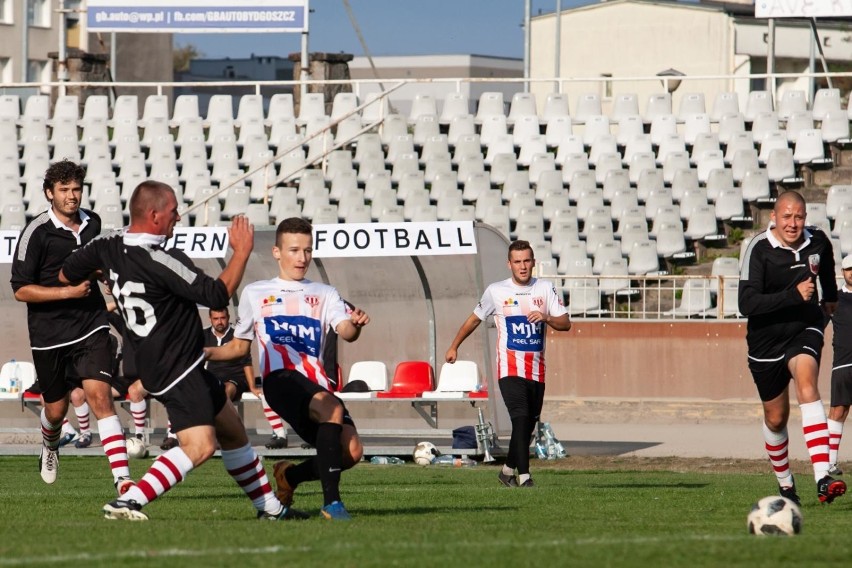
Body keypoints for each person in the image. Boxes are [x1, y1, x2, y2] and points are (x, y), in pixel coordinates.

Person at [59, 180, 303, 521]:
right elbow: (217, 295)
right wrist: (242, 251)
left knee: (232, 431)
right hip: (176, 365)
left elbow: (66, 272)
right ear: (155, 214)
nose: (178, 217)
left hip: (161, 361)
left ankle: (271, 510)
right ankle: (129, 501)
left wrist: (109, 276)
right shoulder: (161, 258)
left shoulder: (108, 243)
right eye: (173, 211)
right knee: (200, 446)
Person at [206, 217, 370, 521]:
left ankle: (288, 477)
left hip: (315, 384)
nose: (302, 258)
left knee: (352, 452)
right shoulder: (256, 293)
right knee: (331, 409)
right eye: (294, 250)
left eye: (307, 250)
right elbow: (240, 347)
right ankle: (332, 504)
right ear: (277, 252)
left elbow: (345, 330)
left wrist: (356, 325)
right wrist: (205, 350)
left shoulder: (325, 293)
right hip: (279, 380)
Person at [10, 159, 132, 493]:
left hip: (91, 325)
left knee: (100, 397)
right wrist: (68, 291)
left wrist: (103, 275)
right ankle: (49, 444)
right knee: (56, 408)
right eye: (64, 190)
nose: (72, 196)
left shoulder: (93, 222)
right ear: (49, 193)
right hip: (49, 336)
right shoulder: (35, 233)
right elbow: (20, 289)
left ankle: (122, 480)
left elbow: (93, 263)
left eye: (76, 189)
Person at [739, 190, 846, 505]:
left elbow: (825, 266)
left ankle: (823, 477)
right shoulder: (759, 249)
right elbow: (746, 303)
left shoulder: (818, 241)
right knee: (776, 417)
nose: (793, 223)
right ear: (774, 217)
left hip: (804, 327)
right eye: (786, 216)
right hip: (765, 339)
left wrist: (828, 299)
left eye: (799, 216)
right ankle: (787, 486)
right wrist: (791, 295)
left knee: (807, 382)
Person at [445, 240, 571, 487]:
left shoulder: (545, 288)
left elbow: (565, 323)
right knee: (521, 418)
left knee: (528, 427)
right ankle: (525, 476)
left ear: (533, 262)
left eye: (526, 261)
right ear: (509, 264)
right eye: (517, 262)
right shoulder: (496, 291)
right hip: (509, 368)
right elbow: (474, 319)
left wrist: (546, 317)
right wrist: (454, 345)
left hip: (537, 370)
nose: (522, 267)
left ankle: (506, 471)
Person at [827, 255, 852, 476]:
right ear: (842, 272)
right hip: (843, 364)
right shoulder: (834, 299)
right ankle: (829, 462)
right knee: (838, 411)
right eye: (848, 269)